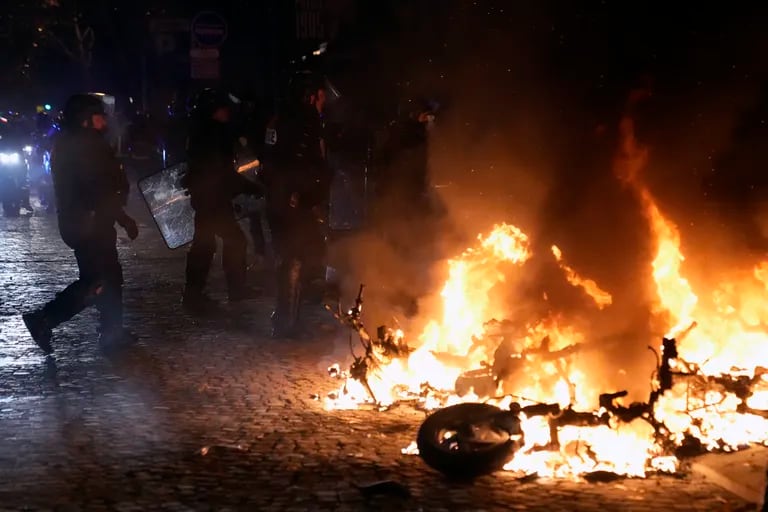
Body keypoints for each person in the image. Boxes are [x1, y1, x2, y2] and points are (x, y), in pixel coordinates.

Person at [22, 93, 139, 354]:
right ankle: (44, 319)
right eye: (98, 115)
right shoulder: (85, 145)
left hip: (88, 222)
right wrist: (123, 217)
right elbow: (97, 189)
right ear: (85, 119)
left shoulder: (79, 143)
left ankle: (112, 330)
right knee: (96, 282)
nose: (103, 120)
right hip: (90, 225)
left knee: (109, 277)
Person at [181, 89, 263, 313]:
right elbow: (222, 172)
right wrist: (249, 187)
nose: (227, 111)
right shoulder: (213, 134)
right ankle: (232, 290)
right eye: (223, 108)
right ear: (214, 110)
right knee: (232, 241)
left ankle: (194, 293)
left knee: (205, 245)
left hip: (208, 198)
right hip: (213, 199)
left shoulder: (201, 132)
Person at [263, 83, 331, 337]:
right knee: (294, 257)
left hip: (284, 199)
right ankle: (286, 323)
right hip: (293, 200)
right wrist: (302, 194)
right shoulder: (305, 121)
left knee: (301, 254)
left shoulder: (278, 119)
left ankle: (287, 316)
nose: (323, 101)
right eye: (320, 95)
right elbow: (306, 162)